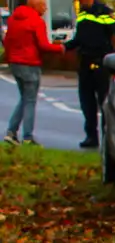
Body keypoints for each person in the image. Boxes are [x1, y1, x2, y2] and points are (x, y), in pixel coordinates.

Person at [2, 0, 64, 146]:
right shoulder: (37, 21)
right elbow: (43, 45)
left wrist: (10, 58)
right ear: (34, 5)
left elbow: (7, 42)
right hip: (30, 64)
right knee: (30, 101)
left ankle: (11, 132)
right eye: (43, 4)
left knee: (24, 98)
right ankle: (27, 137)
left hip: (15, 64)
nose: (46, 7)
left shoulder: (13, 20)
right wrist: (60, 49)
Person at [64, 0, 115, 148]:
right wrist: (65, 47)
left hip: (102, 63)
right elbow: (79, 39)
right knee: (87, 102)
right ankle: (91, 136)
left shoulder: (105, 12)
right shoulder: (83, 15)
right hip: (85, 62)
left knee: (104, 102)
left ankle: (107, 138)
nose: (79, 2)